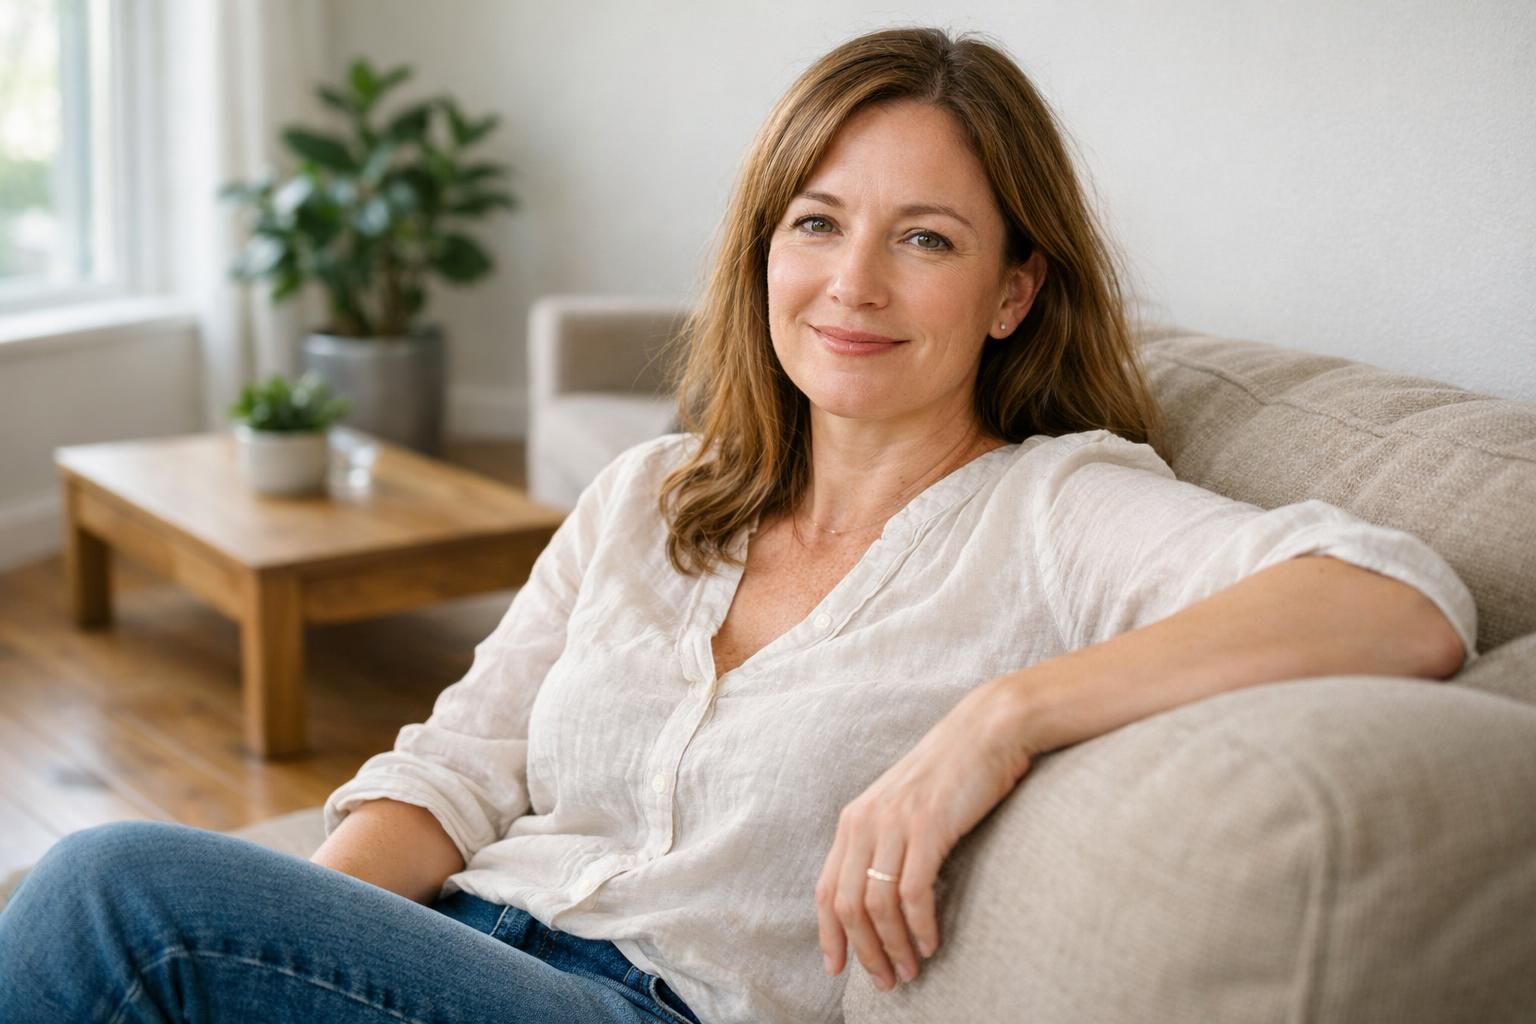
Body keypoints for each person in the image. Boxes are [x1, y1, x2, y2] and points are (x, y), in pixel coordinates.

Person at [0, 25, 1474, 1024]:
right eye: (818, 222)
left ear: (1014, 291)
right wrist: (290, 934)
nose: (854, 285)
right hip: (452, 949)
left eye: (928, 239)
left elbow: (1399, 597)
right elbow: (456, 767)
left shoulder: (1055, 508)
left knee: (106, 889)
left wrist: (1000, 720)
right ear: (765, 245)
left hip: (651, 1004)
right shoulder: (653, 493)